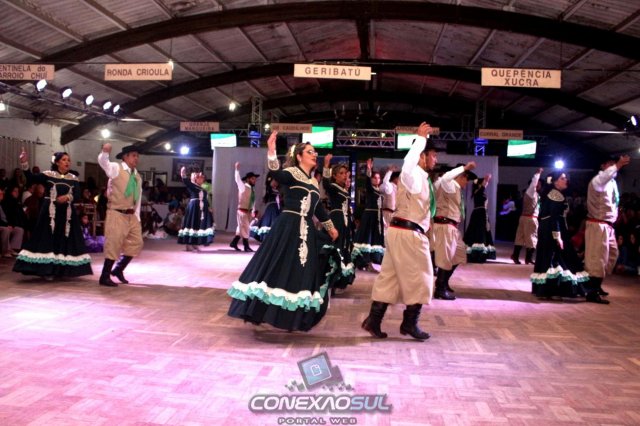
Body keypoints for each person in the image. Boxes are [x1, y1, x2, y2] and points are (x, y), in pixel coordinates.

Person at [228, 132, 340, 332]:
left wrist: (331, 227)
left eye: (315, 152)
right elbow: (276, 173)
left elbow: (318, 209)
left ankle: (292, 318)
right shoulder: (291, 173)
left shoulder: (314, 182)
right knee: (279, 267)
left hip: (306, 231)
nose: (314, 154)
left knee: (300, 272)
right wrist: (271, 151)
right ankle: (263, 311)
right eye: (310, 152)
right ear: (299, 156)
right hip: (288, 228)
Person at [362, 123, 437, 341]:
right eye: (433, 155)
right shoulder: (413, 174)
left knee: (390, 278)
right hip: (408, 235)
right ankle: (409, 323)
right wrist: (420, 140)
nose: (435, 160)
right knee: (423, 278)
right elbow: (408, 164)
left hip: (400, 232)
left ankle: (373, 320)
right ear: (422, 156)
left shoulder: (423, 178)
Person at [13, 150, 92, 279]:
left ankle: (61, 270)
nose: (67, 162)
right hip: (50, 214)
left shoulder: (73, 178)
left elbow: (77, 195)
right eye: (64, 160)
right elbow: (31, 177)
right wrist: (24, 163)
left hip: (66, 215)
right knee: (47, 239)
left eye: (68, 160)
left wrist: (67, 197)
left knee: (64, 239)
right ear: (57, 162)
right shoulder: (48, 175)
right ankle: (46, 270)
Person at [530, 172, 589, 300]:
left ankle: (548, 289)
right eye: (562, 178)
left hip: (548, 229)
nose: (566, 180)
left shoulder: (551, 193)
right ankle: (553, 289)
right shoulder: (556, 195)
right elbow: (555, 217)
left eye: (566, 178)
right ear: (555, 181)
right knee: (556, 257)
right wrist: (558, 236)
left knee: (551, 257)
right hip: (553, 230)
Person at [584, 155, 631, 303]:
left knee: (610, 256)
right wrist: (618, 165)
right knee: (597, 259)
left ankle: (596, 285)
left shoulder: (612, 182)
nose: (613, 167)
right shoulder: (598, 181)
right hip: (598, 224)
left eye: (613, 164)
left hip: (607, 225)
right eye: (610, 164)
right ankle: (591, 291)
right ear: (602, 166)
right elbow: (605, 176)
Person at [97, 144, 144, 287]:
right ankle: (104, 276)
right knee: (113, 244)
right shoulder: (116, 168)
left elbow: (138, 198)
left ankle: (118, 269)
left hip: (131, 215)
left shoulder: (137, 176)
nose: (136, 158)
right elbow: (104, 163)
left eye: (137, 156)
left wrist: (137, 216)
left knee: (137, 242)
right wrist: (105, 153)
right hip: (116, 212)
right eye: (134, 155)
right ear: (125, 157)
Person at [432, 162, 477, 300]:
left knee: (459, 254)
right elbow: (446, 177)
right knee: (445, 258)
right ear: (461, 176)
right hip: (445, 225)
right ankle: (440, 289)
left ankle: (444, 282)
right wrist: (464, 168)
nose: (467, 183)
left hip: (452, 227)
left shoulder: (455, 188)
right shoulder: (449, 184)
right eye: (466, 179)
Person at [322, 155, 356, 291]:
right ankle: (328, 279)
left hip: (345, 223)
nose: (344, 176)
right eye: (341, 173)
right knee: (334, 248)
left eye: (345, 173)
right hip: (336, 220)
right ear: (335, 176)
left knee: (344, 248)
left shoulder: (344, 190)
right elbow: (325, 184)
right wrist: (326, 165)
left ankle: (337, 281)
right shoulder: (334, 187)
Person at [352, 158, 384, 272]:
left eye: (378, 178)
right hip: (370, 217)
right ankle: (363, 261)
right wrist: (369, 169)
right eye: (374, 178)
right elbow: (367, 183)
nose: (377, 179)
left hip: (377, 218)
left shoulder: (379, 191)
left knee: (375, 239)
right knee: (367, 238)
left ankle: (374, 262)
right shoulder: (370, 189)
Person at [177, 167, 214, 251]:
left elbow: (205, 199)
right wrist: (183, 174)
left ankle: (194, 243)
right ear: (196, 179)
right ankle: (188, 244)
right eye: (200, 177)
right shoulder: (192, 185)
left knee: (198, 225)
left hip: (201, 208)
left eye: (203, 178)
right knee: (192, 224)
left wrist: (208, 207)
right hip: (194, 208)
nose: (202, 179)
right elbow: (186, 181)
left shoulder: (201, 188)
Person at [511, 169, 543, 265]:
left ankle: (515, 255)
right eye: (538, 183)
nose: (539, 185)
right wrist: (538, 174)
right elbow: (534, 183)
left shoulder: (535, 194)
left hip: (524, 217)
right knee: (532, 238)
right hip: (530, 218)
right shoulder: (531, 191)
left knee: (520, 237)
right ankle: (528, 258)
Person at [463, 174, 496, 263]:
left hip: (482, 214)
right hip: (479, 214)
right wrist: (486, 180)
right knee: (479, 233)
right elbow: (483, 186)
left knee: (482, 232)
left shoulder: (479, 192)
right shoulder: (477, 192)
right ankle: (477, 255)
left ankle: (479, 254)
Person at [230, 163, 259, 252]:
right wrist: (236, 170)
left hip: (248, 212)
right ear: (248, 179)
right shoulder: (243, 186)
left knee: (241, 228)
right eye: (253, 179)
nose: (255, 180)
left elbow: (252, 201)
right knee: (246, 227)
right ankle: (246, 246)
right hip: (242, 211)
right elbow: (237, 179)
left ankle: (234, 242)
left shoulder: (252, 189)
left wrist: (253, 211)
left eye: (255, 179)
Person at [250, 172, 281, 242]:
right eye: (273, 181)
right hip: (271, 208)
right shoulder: (269, 191)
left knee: (274, 223)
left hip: (277, 208)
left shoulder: (280, 190)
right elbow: (264, 202)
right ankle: (266, 239)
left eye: (276, 181)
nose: (275, 183)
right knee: (269, 223)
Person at [0, 188, 24, 258]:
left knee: (19, 230)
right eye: (0, 194)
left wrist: (11, 225)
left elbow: (10, 216)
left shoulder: (4, 204)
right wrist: (6, 225)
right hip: (2, 225)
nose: (2, 195)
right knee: (6, 230)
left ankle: (12, 248)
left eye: (2, 193)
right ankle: (5, 251)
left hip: (5, 225)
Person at [380, 166, 400, 231]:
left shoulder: (398, 189)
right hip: (387, 215)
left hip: (394, 216)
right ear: (395, 178)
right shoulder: (390, 186)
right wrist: (390, 171)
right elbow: (385, 182)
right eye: (399, 179)